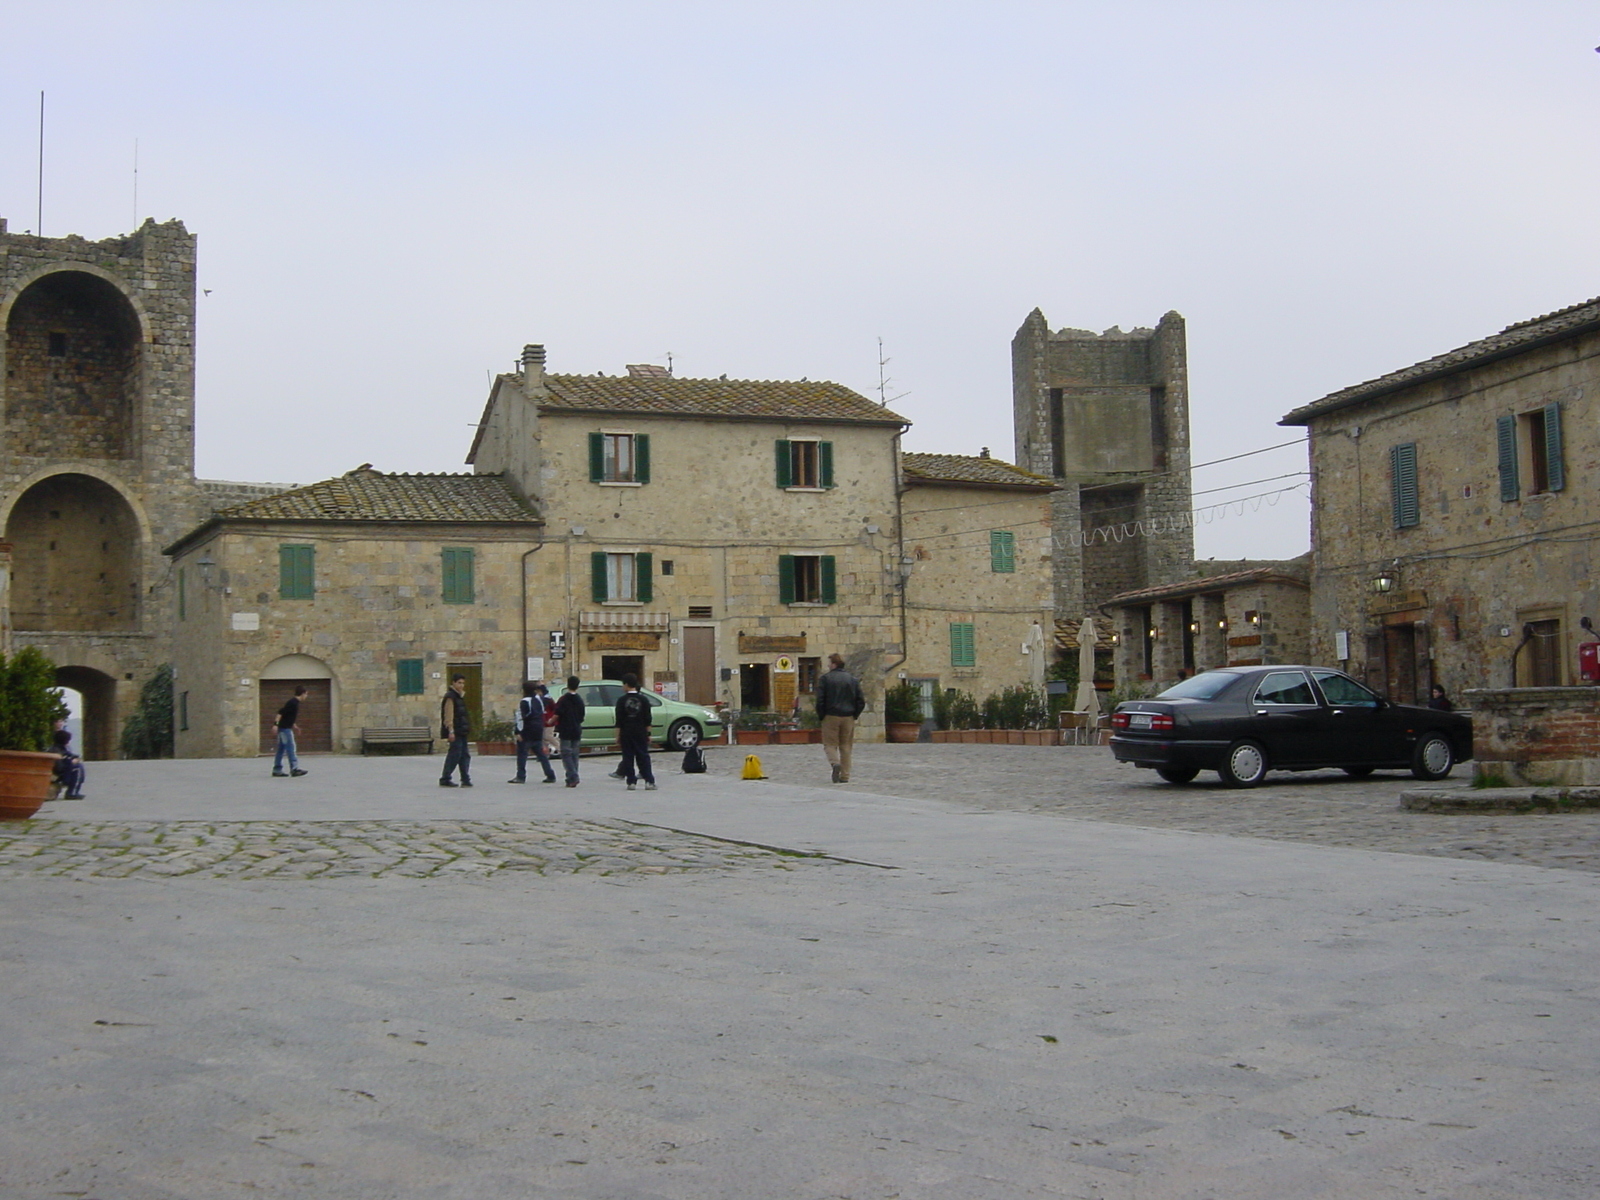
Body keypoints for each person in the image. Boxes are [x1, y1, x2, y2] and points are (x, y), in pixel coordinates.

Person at [816, 652, 865, 784]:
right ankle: (845, 776)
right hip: (848, 716)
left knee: (830, 744)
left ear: (834, 664)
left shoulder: (825, 679)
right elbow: (860, 700)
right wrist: (854, 714)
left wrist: (822, 715)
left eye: (829, 663)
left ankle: (835, 763)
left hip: (831, 716)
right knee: (846, 746)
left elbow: (820, 700)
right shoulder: (852, 680)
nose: (828, 665)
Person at [614, 673, 657, 791]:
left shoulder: (621, 700)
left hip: (626, 732)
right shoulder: (644, 699)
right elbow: (648, 719)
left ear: (627, 685)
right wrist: (649, 734)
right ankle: (649, 781)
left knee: (628, 757)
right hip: (640, 731)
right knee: (643, 756)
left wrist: (617, 736)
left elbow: (619, 720)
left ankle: (631, 782)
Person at [509, 680, 557, 784]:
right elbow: (548, 696)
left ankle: (521, 776)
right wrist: (543, 686)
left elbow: (520, 718)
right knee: (541, 754)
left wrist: (518, 732)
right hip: (539, 728)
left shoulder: (525, 702)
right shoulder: (539, 700)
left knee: (522, 754)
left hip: (527, 730)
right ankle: (550, 775)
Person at [439, 674, 473, 787]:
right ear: (453, 683)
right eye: (459, 683)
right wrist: (451, 730)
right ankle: (445, 777)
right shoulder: (451, 697)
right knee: (454, 755)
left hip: (462, 730)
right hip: (455, 731)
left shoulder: (459, 696)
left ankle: (465, 778)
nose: (461, 685)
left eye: (463, 683)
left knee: (464, 755)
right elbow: (449, 715)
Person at [554, 675, 586, 787]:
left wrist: (550, 721)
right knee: (574, 754)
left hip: (566, 729)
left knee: (566, 754)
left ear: (567, 685)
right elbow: (582, 716)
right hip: (576, 729)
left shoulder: (563, 699)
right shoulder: (579, 700)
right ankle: (570, 778)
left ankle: (573, 776)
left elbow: (557, 713)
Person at [272, 685, 310, 777]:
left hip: (285, 728)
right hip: (285, 730)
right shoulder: (293, 703)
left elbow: (288, 717)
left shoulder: (294, 703)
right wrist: (275, 725)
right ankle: (294, 769)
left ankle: (277, 769)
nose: (306, 696)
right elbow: (280, 713)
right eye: (306, 694)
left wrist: (295, 726)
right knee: (291, 748)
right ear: (302, 693)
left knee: (281, 749)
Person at [52, 727, 86, 799]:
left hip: (60, 771)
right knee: (78, 768)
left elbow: (69, 755)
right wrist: (71, 762)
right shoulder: (57, 750)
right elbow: (59, 767)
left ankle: (72, 791)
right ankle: (72, 793)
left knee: (78, 765)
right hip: (59, 773)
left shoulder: (57, 748)